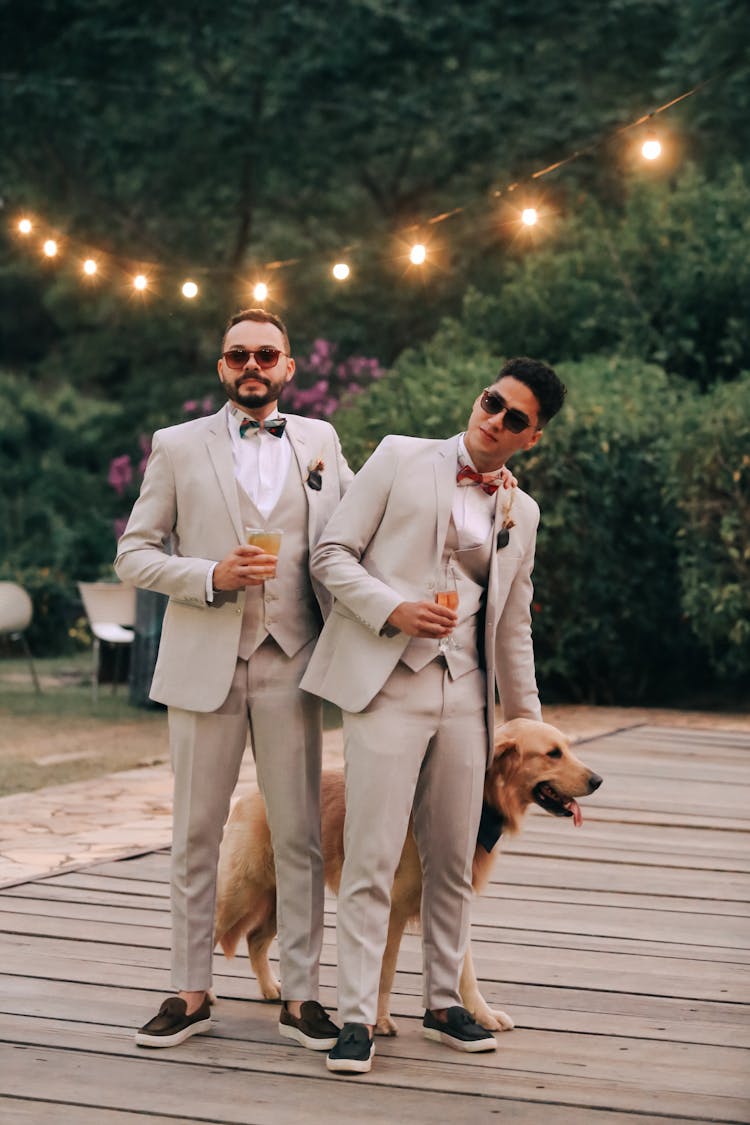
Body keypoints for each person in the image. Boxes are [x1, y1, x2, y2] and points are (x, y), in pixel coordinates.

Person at [300, 356, 566, 1074]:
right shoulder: (398, 457)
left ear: (530, 437)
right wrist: (391, 607)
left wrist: (530, 726)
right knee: (373, 854)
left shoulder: (524, 511)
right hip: (389, 682)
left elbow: (512, 628)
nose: (496, 420)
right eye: (492, 402)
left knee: (454, 855)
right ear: (478, 396)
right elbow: (330, 553)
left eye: (516, 418)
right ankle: (356, 1014)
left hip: (468, 697)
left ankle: (444, 1002)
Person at [115, 308, 353, 1051]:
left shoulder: (320, 441)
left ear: (289, 366)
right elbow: (135, 553)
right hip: (202, 664)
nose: (252, 364)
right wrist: (208, 574)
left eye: (266, 353)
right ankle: (190, 991)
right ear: (221, 367)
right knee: (195, 831)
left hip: (293, 660)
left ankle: (305, 994)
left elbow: (350, 537)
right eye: (237, 354)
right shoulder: (177, 446)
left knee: (302, 834)